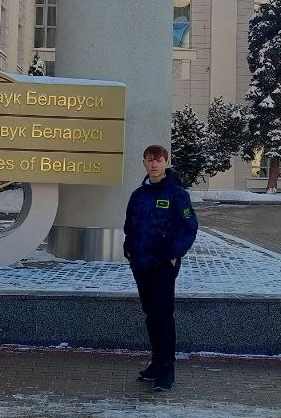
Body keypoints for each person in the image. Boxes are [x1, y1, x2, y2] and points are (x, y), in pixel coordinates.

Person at [123, 144, 198, 392]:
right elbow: (130, 226)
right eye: (150, 160)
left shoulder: (177, 194)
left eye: (159, 160)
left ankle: (167, 368)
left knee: (163, 315)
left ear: (166, 162)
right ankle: (156, 363)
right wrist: (129, 248)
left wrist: (173, 253)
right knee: (151, 313)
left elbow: (189, 228)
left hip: (164, 264)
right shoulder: (138, 195)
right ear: (144, 163)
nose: (154, 164)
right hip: (141, 263)